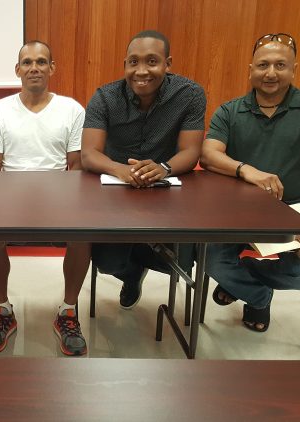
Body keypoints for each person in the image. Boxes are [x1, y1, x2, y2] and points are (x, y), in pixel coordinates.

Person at [200, 33, 300, 332]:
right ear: (251, 68)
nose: (271, 73)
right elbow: (209, 154)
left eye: (281, 65)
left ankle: (244, 278)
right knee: (211, 261)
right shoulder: (230, 110)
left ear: (294, 69)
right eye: (263, 65)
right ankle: (259, 297)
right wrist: (246, 170)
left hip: (296, 209)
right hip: (240, 211)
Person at [81, 30, 206, 309]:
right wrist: (119, 170)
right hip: (115, 192)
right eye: (133, 62)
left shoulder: (190, 95)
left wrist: (164, 168)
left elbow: (191, 151)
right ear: (125, 63)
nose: (141, 71)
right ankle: (132, 272)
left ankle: (138, 253)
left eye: (152, 61)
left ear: (167, 63)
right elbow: (89, 154)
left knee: (181, 263)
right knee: (106, 262)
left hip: (166, 190)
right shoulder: (105, 96)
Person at [0, 40, 89, 356]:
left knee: (83, 235)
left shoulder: (72, 109)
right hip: (9, 200)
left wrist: (64, 205)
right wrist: (4, 208)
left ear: (52, 68)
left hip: (60, 200)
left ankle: (67, 312)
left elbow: (75, 167)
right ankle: (2, 311)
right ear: (18, 70)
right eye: (27, 62)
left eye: (41, 62)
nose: (34, 68)